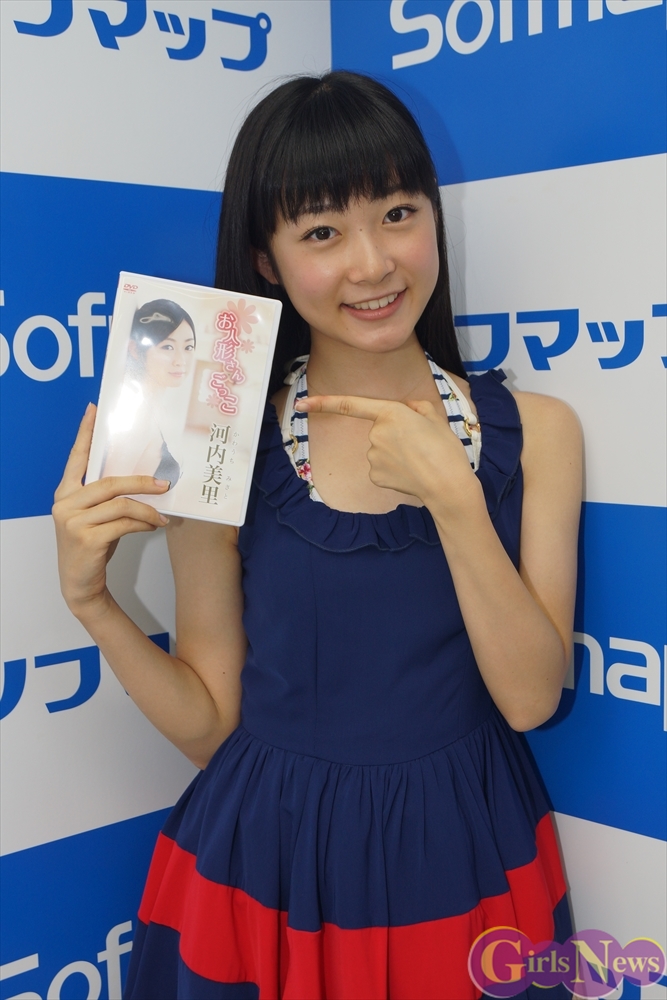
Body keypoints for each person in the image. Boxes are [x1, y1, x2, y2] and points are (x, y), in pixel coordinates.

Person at [53, 71, 582, 999]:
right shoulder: (216, 442)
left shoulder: (537, 429)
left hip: (461, 852)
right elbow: (211, 727)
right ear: (266, 259)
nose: (372, 264)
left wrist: (454, 500)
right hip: (270, 864)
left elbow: (531, 699)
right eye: (322, 233)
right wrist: (93, 603)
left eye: (397, 213)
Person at [100, 299, 196, 488]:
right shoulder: (139, 418)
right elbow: (108, 491)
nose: (180, 360)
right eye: (167, 347)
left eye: (188, 347)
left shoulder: (159, 409)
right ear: (135, 350)